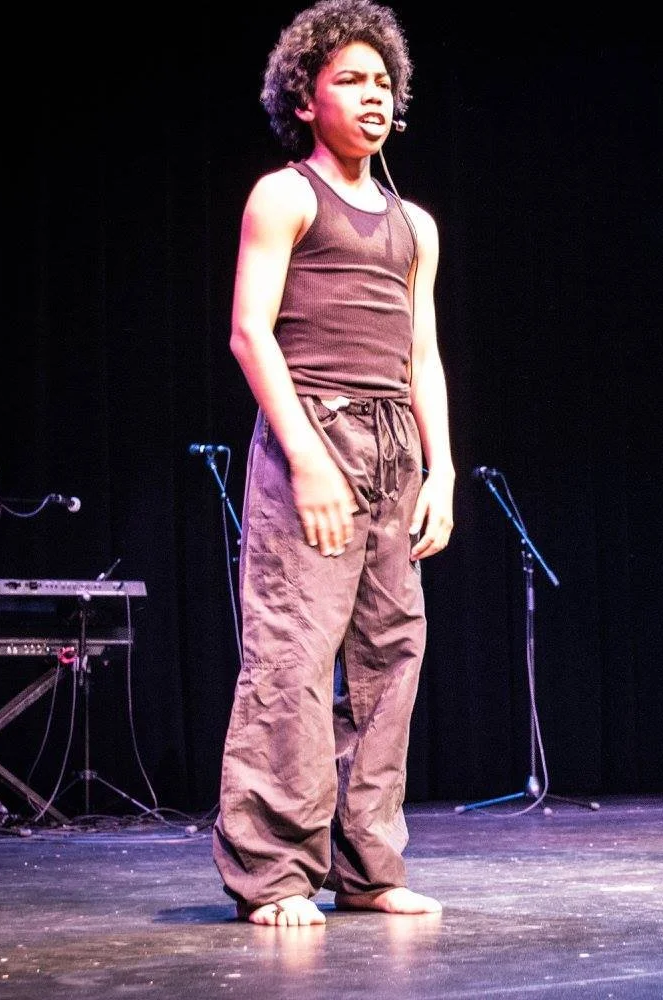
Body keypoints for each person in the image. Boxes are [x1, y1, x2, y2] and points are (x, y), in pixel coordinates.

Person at [211, 0, 454, 925]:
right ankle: (274, 874)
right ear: (305, 99)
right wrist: (307, 460)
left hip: (395, 449)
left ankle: (367, 865)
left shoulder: (415, 224)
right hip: (314, 431)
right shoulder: (287, 195)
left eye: (383, 81)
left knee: (391, 656)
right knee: (294, 656)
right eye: (350, 79)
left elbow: (421, 355)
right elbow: (250, 333)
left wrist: (441, 469)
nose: (373, 95)